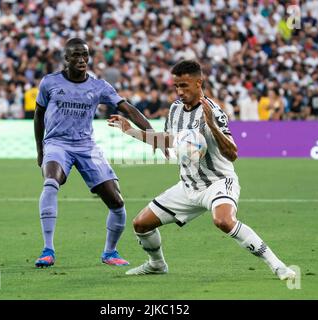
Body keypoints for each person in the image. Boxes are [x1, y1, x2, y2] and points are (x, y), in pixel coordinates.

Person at [108, 60, 296, 280]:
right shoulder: (175, 109)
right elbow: (169, 140)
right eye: (176, 86)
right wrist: (130, 130)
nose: (179, 92)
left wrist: (213, 128)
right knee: (141, 224)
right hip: (188, 186)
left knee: (223, 221)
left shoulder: (214, 112)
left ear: (199, 83)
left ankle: (278, 266)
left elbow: (233, 153)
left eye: (184, 86)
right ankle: (157, 264)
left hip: (217, 182)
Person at [34, 38, 158, 268]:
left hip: (86, 146)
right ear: (66, 58)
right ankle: (47, 249)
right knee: (51, 182)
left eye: (85, 55)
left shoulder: (99, 86)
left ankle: (109, 252)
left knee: (117, 202)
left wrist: (152, 134)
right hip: (57, 143)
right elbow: (38, 115)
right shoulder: (49, 83)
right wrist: (40, 150)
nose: (81, 59)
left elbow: (128, 108)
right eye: (76, 55)